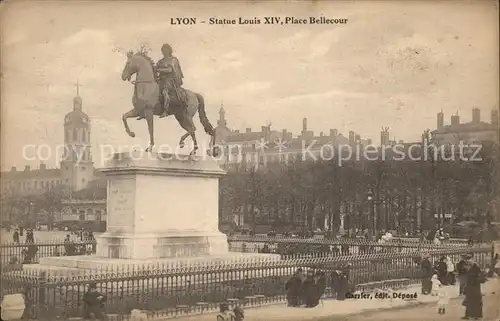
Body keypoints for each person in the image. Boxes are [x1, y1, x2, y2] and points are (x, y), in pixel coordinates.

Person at [156, 43, 185, 118]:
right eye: (162, 50)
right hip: (161, 79)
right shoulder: (160, 61)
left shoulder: (173, 60)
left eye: (165, 50)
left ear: (169, 50)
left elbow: (170, 70)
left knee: (164, 92)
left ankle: (166, 111)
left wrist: (158, 69)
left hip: (170, 80)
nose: (163, 51)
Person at [462, 255, 486, 319]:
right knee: (469, 300)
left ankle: (477, 315)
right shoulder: (468, 267)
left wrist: (476, 279)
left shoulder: (476, 267)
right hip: (470, 286)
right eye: (466, 259)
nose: (467, 261)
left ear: (472, 259)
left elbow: (481, 277)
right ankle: (468, 315)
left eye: (469, 259)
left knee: (476, 301)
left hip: (475, 286)